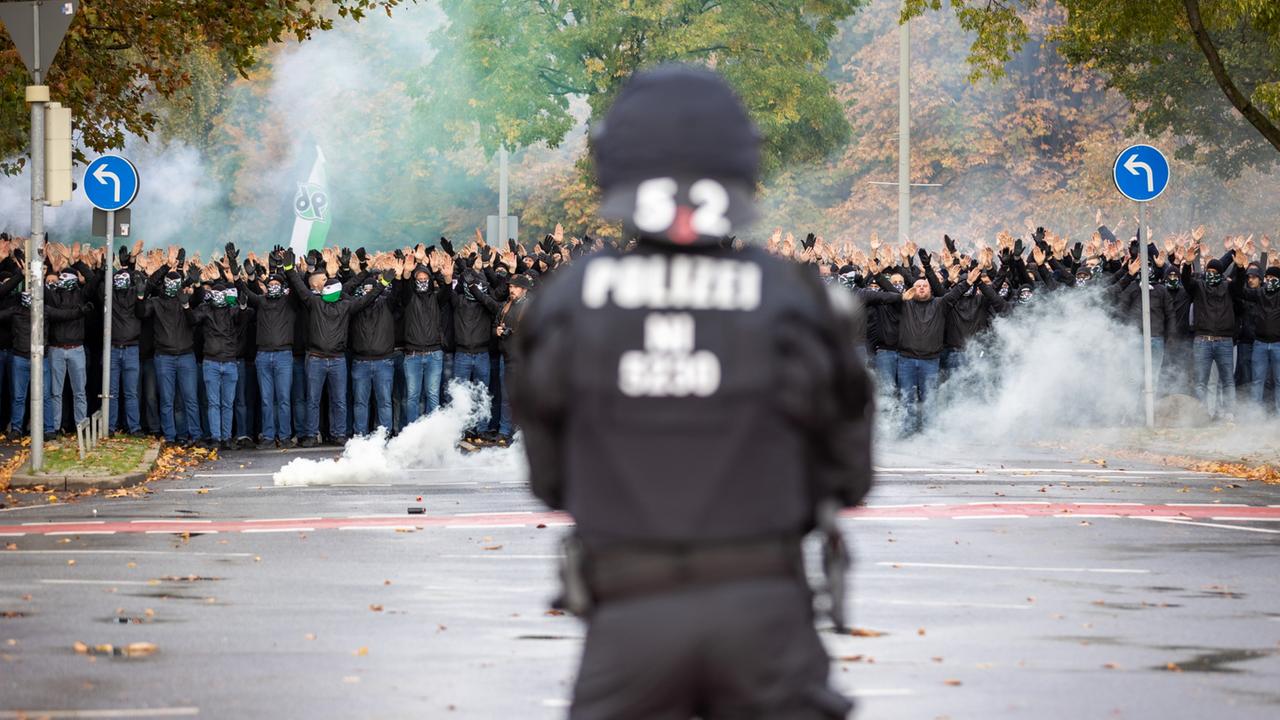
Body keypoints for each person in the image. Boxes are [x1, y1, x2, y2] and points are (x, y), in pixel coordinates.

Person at [512, 65, 873, 720]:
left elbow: (548, 479)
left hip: (627, 617)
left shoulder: (565, 302)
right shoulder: (796, 298)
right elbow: (850, 475)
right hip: (767, 618)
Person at [280, 247, 390, 447]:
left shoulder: (345, 305)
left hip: (338, 359)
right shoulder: (314, 302)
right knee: (312, 400)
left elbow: (366, 298)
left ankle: (339, 434)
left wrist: (381, 282)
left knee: (339, 400)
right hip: (316, 358)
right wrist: (289, 269)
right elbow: (298, 285)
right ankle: (312, 435)